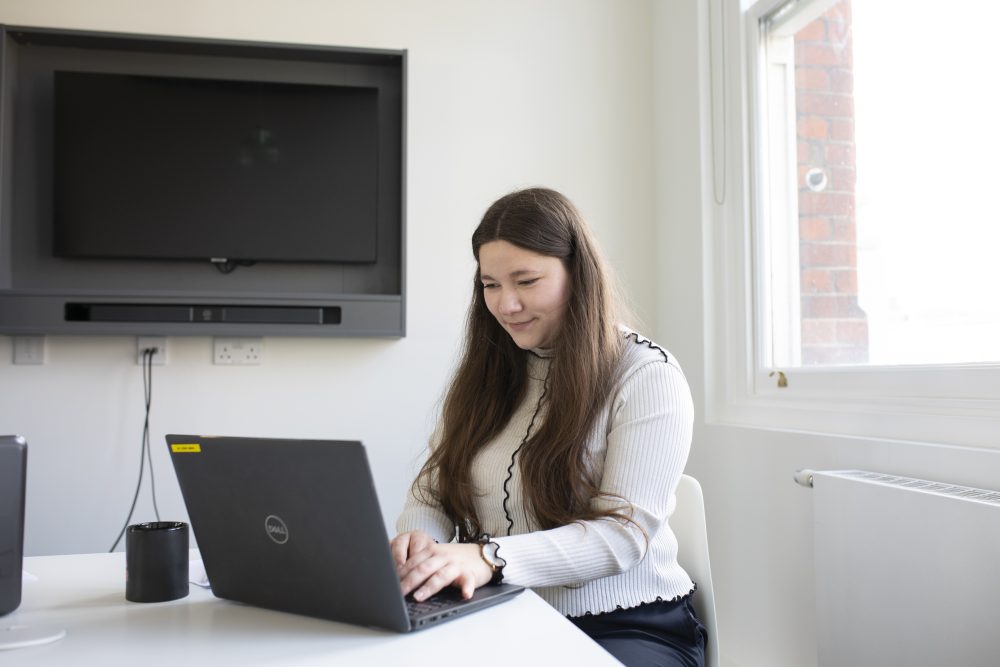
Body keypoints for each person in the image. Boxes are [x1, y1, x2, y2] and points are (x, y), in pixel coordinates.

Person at [392, 187, 705, 667]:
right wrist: (423, 545)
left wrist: (486, 557)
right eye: (491, 284)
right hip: (500, 614)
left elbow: (622, 537)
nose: (506, 304)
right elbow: (433, 491)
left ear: (578, 275)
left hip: (627, 625)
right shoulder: (490, 372)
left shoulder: (646, 376)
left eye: (527, 281)